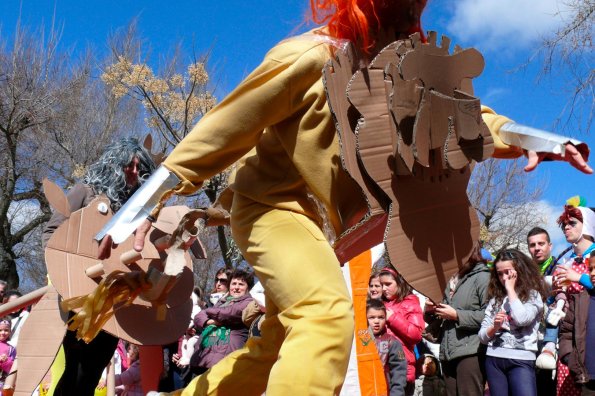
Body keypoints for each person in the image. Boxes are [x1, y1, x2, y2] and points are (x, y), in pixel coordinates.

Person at [100, 1, 591, 394]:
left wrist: (538, 140)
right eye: (401, 13)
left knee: (277, 346)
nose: (413, 25)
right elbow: (221, 131)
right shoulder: (309, 59)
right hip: (268, 207)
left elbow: (469, 115)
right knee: (324, 317)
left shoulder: (405, 78)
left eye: (417, 14)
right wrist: (132, 217)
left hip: (315, 224)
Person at [42, 137, 156, 396]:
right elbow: (52, 230)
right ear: (115, 164)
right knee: (76, 366)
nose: (135, 172)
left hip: (115, 301)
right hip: (79, 294)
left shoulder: (142, 212)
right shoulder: (86, 191)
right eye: (129, 165)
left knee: (93, 370)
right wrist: (62, 273)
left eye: (140, 168)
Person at [424, 243, 490, 396]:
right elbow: (440, 317)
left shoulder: (483, 277)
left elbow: (489, 316)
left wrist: (457, 315)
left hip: (471, 351)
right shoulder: (448, 279)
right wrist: (429, 311)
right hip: (447, 352)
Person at [478, 249, 546, 396]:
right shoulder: (495, 300)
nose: (504, 278)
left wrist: (510, 289)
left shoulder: (533, 295)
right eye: (499, 273)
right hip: (494, 359)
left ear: (519, 270)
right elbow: (482, 337)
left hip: (522, 359)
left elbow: (522, 319)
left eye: (507, 272)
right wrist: (494, 327)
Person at [548, 205, 595, 395]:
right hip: (571, 345)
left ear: (588, 226)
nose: (566, 228)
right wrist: (553, 293)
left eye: (572, 223)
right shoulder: (567, 261)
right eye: (564, 225)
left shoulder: (592, 259)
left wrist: (579, 277)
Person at [190, 269, 254, 375]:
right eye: (233, 283)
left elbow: (231, 312)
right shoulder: (221, 302)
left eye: (241, 284)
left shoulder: (250, 302)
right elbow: (198, 317)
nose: (236, 287)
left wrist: (207, 311)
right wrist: (210, 322)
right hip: (203, 356)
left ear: (248, 288)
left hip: (224, 359)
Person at [379, 267, 424, 392]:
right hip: (382, 368)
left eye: (388, 284)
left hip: (401, 370)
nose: (383, 289)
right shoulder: (379, 304)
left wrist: (393, 318)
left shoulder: (410, 303)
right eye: (381, 284)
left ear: (399, 283)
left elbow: (416, 334)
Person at [559, 256, 595, 395]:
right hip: (588, 379)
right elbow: (566, 333)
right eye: (590, 268)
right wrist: (570, 358)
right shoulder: (580, 300)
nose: (592, 273)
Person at [367, 298, 408, 396]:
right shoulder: (359, 341)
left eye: (381, 317)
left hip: (385, 391)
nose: (376, 321)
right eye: (372, 317)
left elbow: (399, 371)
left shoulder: (392, 342)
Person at [0, 318, 16, 391]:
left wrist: (6, 360)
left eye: (6, 330)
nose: (3, 332)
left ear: (10, 332)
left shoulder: (11, 349)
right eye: (0, 330)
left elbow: (13, 368)